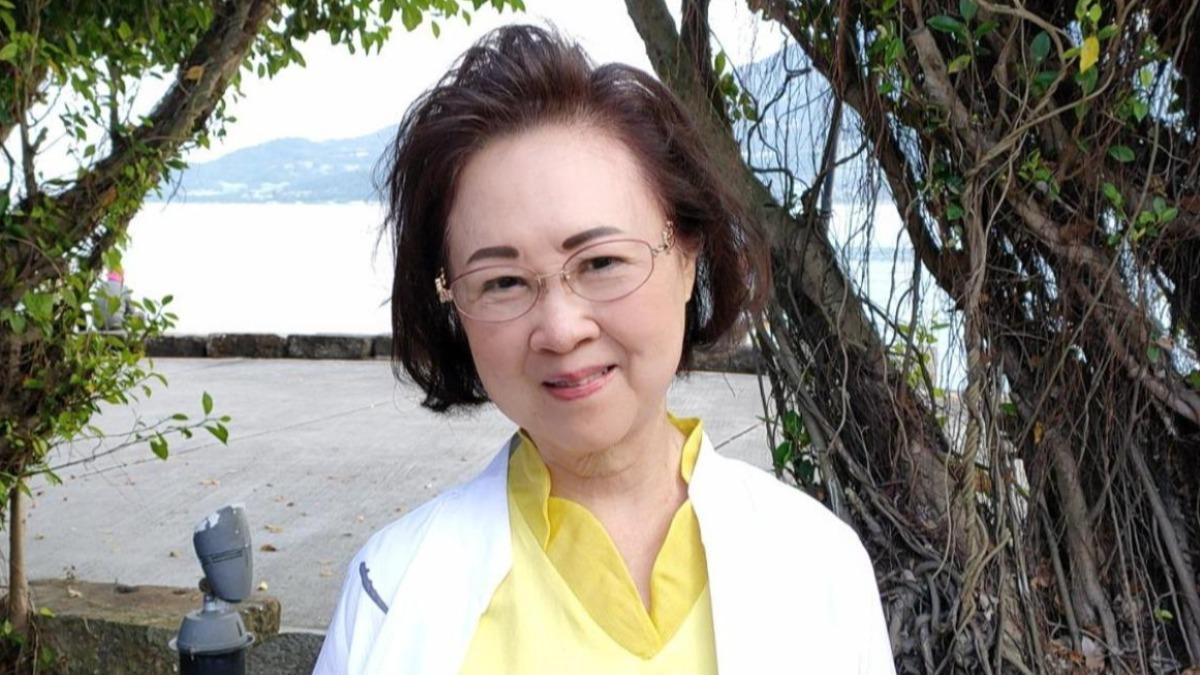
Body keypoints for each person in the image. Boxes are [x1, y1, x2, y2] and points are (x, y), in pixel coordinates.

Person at [314, 25, 894, 675]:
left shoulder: (820, 566)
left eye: (601, 262)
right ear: (451, 300)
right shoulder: (388, 593)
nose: (561, 330)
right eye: (502, 282)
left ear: (687, 256)